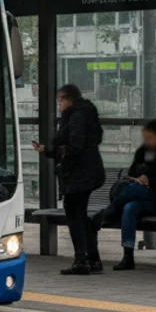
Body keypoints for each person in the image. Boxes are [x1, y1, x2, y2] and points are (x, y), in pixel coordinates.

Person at [96, 121, 156, 271]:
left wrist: (149, 181)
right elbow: (132, 171)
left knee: (132, 191)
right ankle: (128, 256)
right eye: (145, 138)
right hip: (149, 198)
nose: (147, 142)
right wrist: (140, 176)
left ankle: (107, 214)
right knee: (129, 207)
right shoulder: (144, 151)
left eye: (150, 138)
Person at [32, 84, 105, 275]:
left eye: (60, 100)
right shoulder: (86, 112)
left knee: (75, 216)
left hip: (78, 174)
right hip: (87, 172)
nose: (59, 105)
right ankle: (93, 259)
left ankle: (81, 260)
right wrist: (47, 151)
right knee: (80, 215)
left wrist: (64, 163)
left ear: (68, 99)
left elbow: (74, 145)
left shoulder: (76, 116)